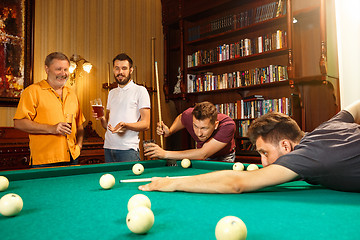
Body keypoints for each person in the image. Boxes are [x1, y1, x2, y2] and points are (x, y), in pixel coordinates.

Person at [139, 100, 360, 193]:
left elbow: (237, 184)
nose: (263, 162)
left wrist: (173, 183)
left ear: (286, 145)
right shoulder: (328, 127)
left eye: (265, 153)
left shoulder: (306, 155)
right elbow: (355, 107)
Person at [13, 52, 85, 167]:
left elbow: (79, 125)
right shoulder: (32, 91)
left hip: (73, 158)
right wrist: (52, 128)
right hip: (44, 161)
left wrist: (79, 146)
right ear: (47, 69)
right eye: (58, 69)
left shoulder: (72, 94)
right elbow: (19, 123)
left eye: (66, 69)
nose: (63, 73)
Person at [93, 53, 150, 162]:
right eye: (117, 68)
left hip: (128, 149)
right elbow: (107, 126)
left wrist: (126, 125)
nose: (120, 72)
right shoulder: (112, 93)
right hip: (108, 147)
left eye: (124, 68)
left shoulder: (140, 90)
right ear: (113, 70)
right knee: (110, 179)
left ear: (131, 70)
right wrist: (101, 118)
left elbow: (146, 124)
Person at [144, 101, 236, 162]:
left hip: (224, 157)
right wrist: (170, 131)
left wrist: (165, 154)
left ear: (215, 125)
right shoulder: (189, 115)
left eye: (204, 128)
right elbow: (181, 117)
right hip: (201, 154)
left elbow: (203, 153)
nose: (199, 133)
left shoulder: (228, 125)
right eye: (195, 126)